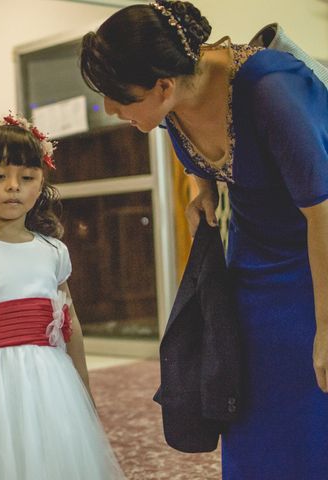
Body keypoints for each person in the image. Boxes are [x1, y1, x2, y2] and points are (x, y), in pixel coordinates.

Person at [80, 1, 328, 478]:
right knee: (245, 387)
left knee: (311, 387)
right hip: (252, 252)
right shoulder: (170, 100)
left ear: (164, 85)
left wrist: (326, 324)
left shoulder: (271, 91)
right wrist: (203, 187)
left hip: (315, 256)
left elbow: (322, 212)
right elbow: (201, 142)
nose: (110, 110)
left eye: (118, 97)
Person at [0, 114, 124, 480]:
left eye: (27, 177)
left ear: (40, 183)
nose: (13, 187)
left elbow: (70, 322)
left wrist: (82, 386)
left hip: (47, 381)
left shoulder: (52, 251)